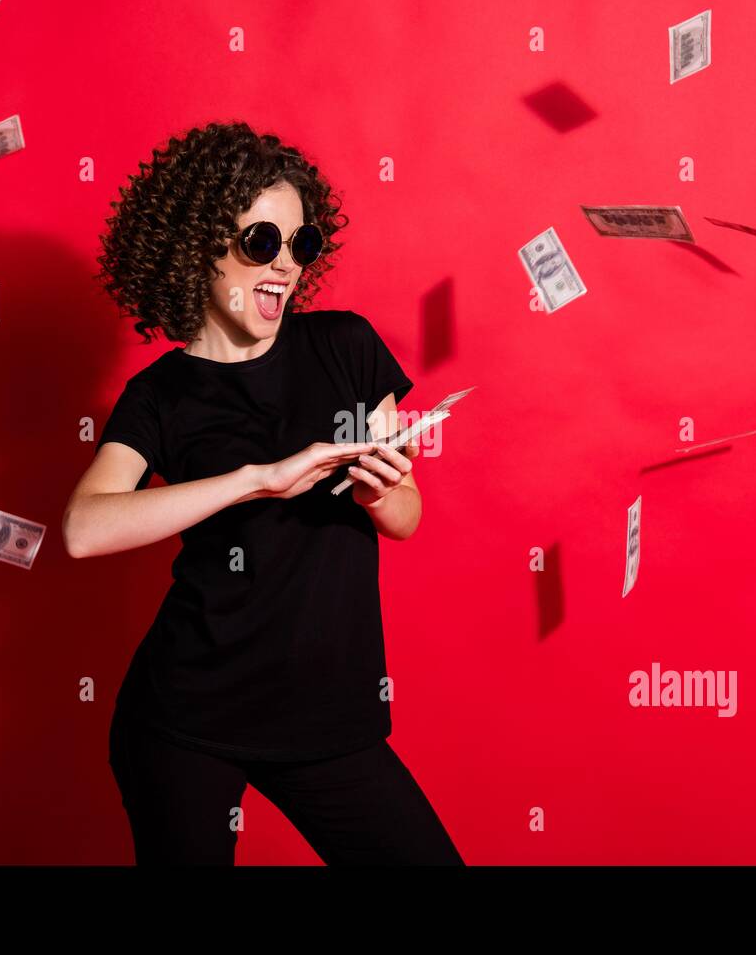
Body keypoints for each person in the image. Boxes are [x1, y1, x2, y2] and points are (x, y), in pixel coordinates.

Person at [62, 122, 464, 865]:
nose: (283, 264)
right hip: (186, 720)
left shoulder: (345, 347)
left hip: (329, 720)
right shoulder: (159, 397)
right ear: (198, 246)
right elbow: (86, 528)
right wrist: (259, 480)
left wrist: (381, 491)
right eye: (259, 243)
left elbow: (404, 517)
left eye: (299, 244)